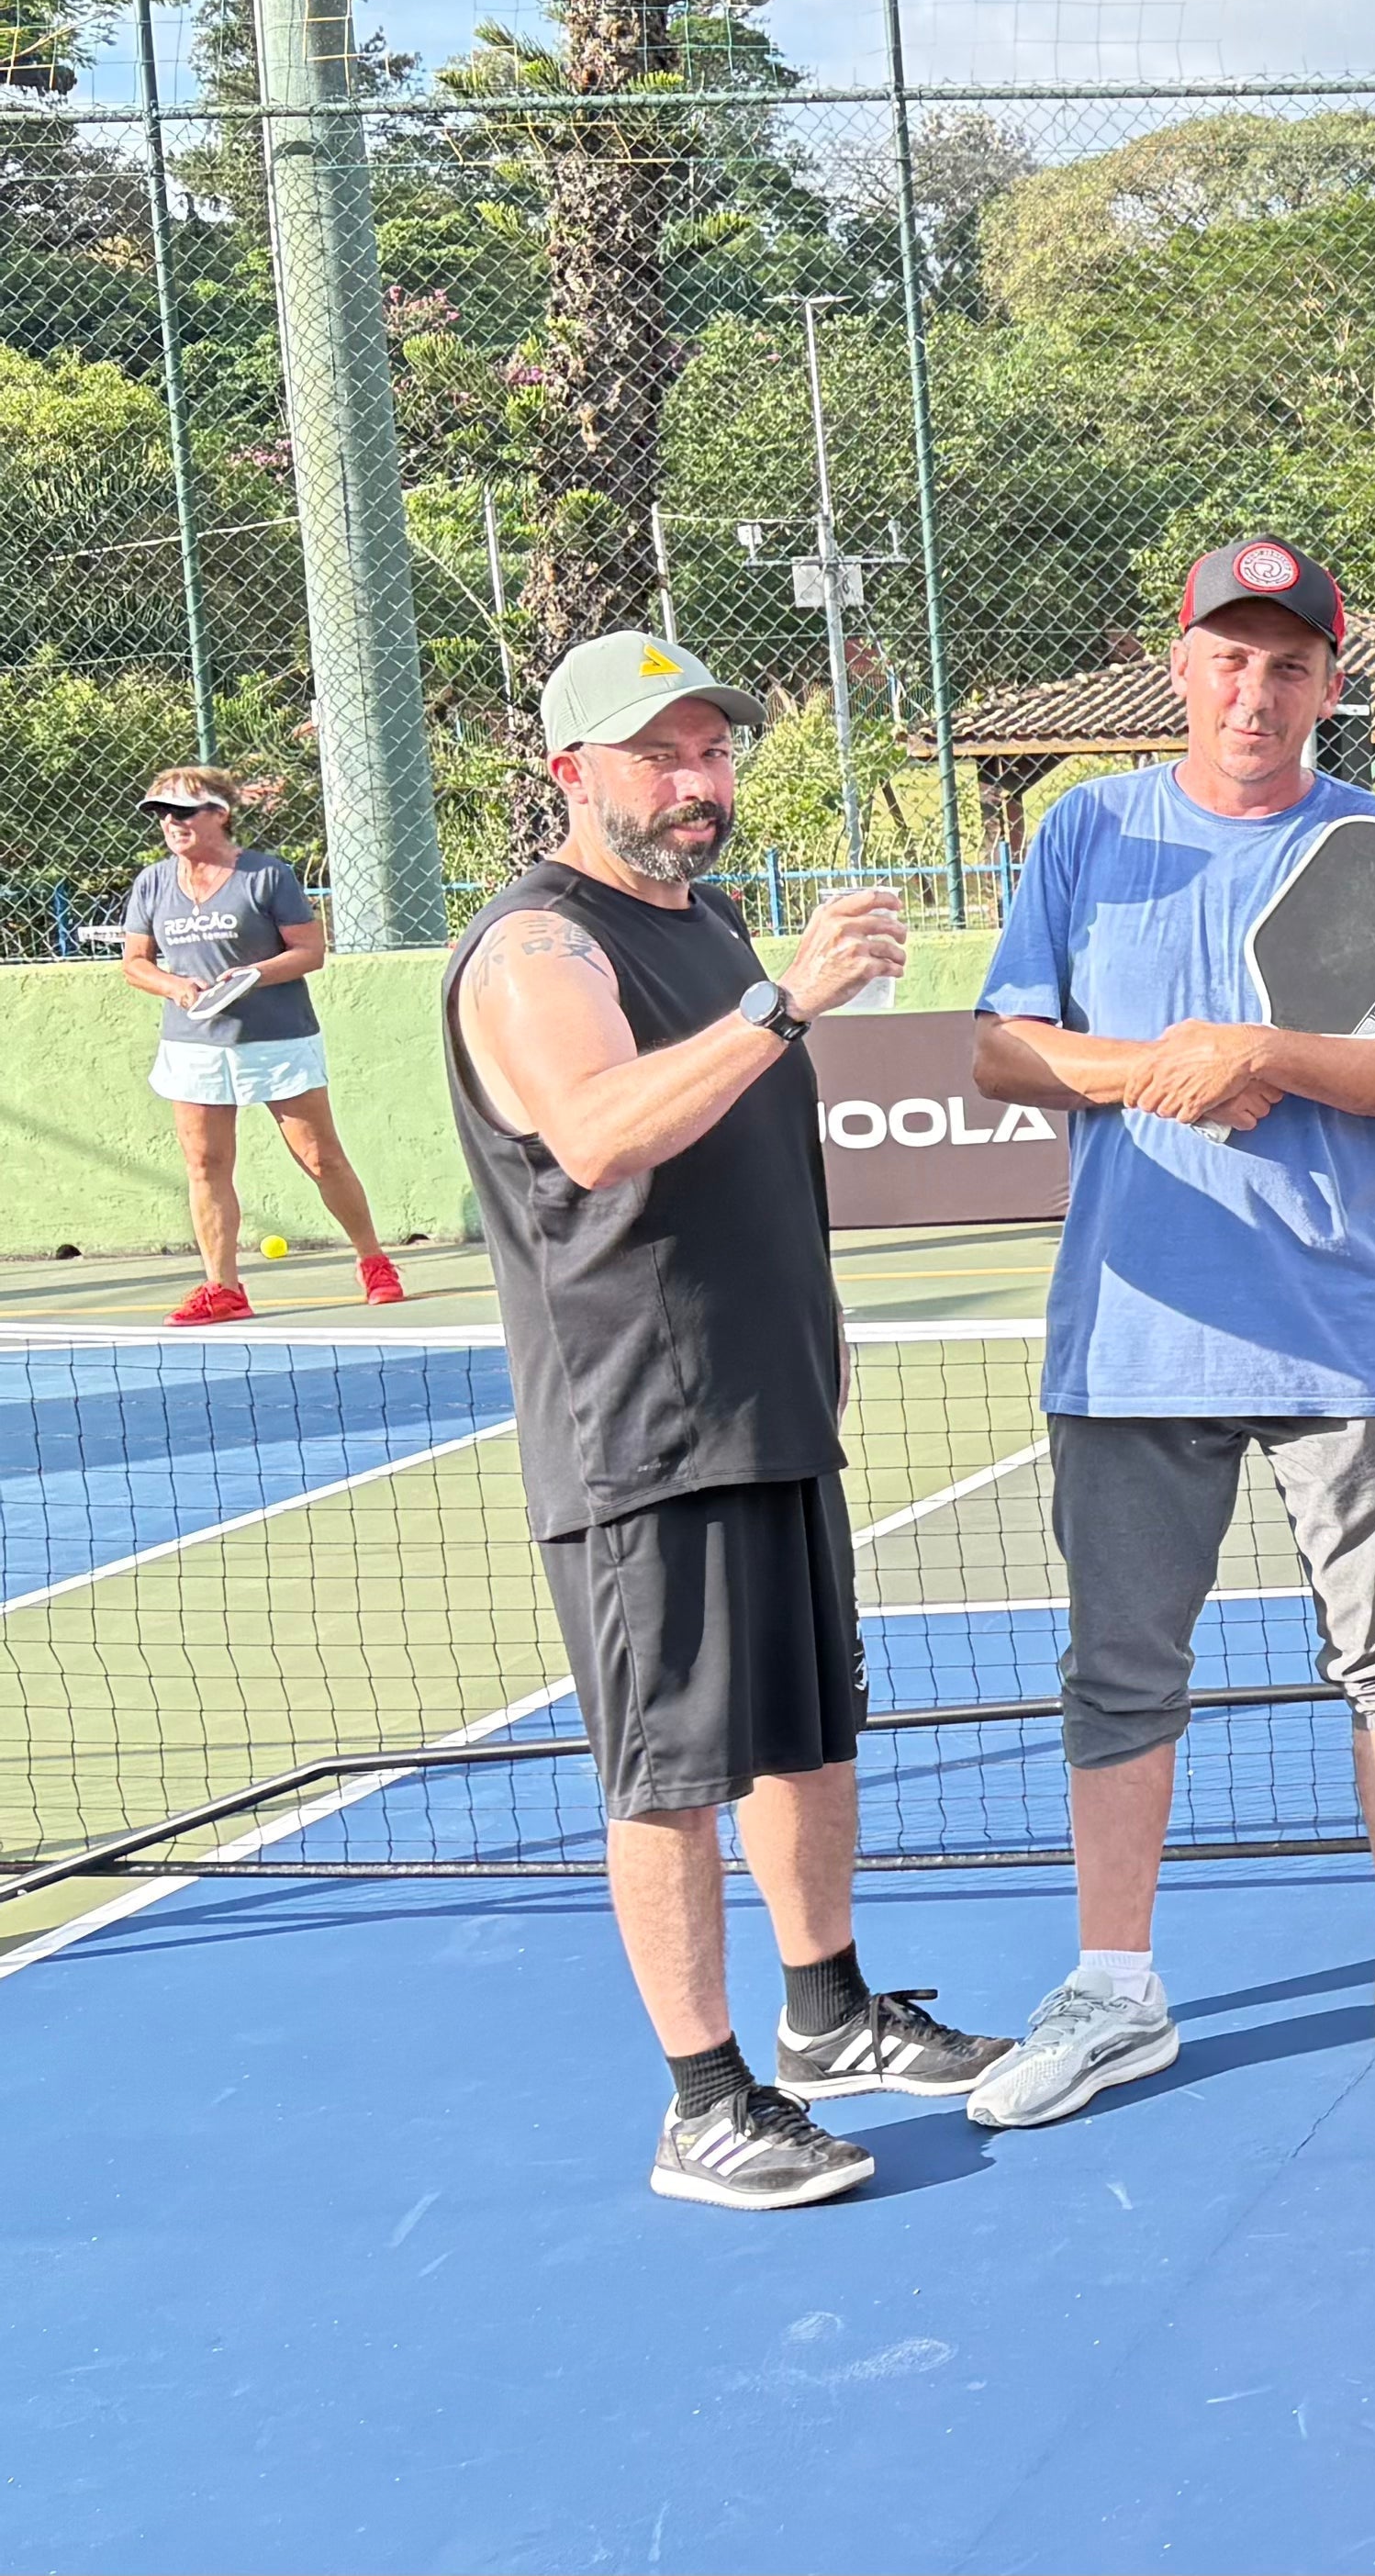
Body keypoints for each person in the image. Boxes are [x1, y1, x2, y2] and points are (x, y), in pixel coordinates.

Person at [440, 631, 1010, 2209]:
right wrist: (784, 1003)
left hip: (769, 1412)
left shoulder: (712, 927)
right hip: (643, 1430)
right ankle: (703, 2106)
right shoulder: (535, 950)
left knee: (811, 1731)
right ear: (571, 773)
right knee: (674, 1773)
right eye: (661, 756)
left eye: (714, 750)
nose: (701, 783)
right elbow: (600, 1132)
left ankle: (826, 2014)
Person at [959, 538, 1375, 2128]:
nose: (1254, 689)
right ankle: (1115, 1985)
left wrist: (1264, 1043)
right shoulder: (1086, 828)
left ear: (1330, 685)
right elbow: (1004, 1049)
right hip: (1133, 1335)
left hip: (1342, 1333)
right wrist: (1155, 1068)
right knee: (1118, 1676)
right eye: (1228, 656)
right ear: (1180, 665)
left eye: (1288, 664)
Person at [121, 767, 402, 1323]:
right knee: (206, 1163)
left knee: (319, 1156)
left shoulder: (267, 876)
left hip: (277, 1038)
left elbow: (309, 951)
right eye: (161, 813)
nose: (170, 823)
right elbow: (134, 964)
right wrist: (177, 987)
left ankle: (374, 1262)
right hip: (194, 1045)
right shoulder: (151, 884)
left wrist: (252, 976)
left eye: (183, 812)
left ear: (218, 814)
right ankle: (223, 1288)